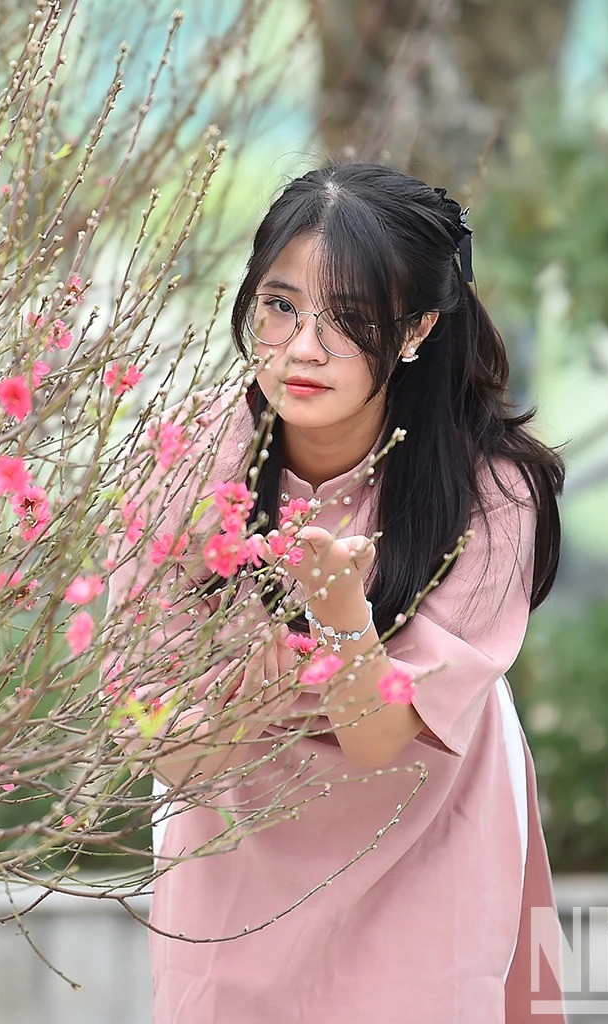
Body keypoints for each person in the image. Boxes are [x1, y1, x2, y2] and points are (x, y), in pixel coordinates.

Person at [106, 162, 568, 1022]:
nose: (303, 347)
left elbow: (379, 740)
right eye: (280, 306)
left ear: (417, 329)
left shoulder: (493, 490)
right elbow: (159, 742)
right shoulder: (185, 462)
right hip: (238, 847)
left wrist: (346, 621)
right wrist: (249, 699)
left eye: (350, 318)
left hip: (426, 843)